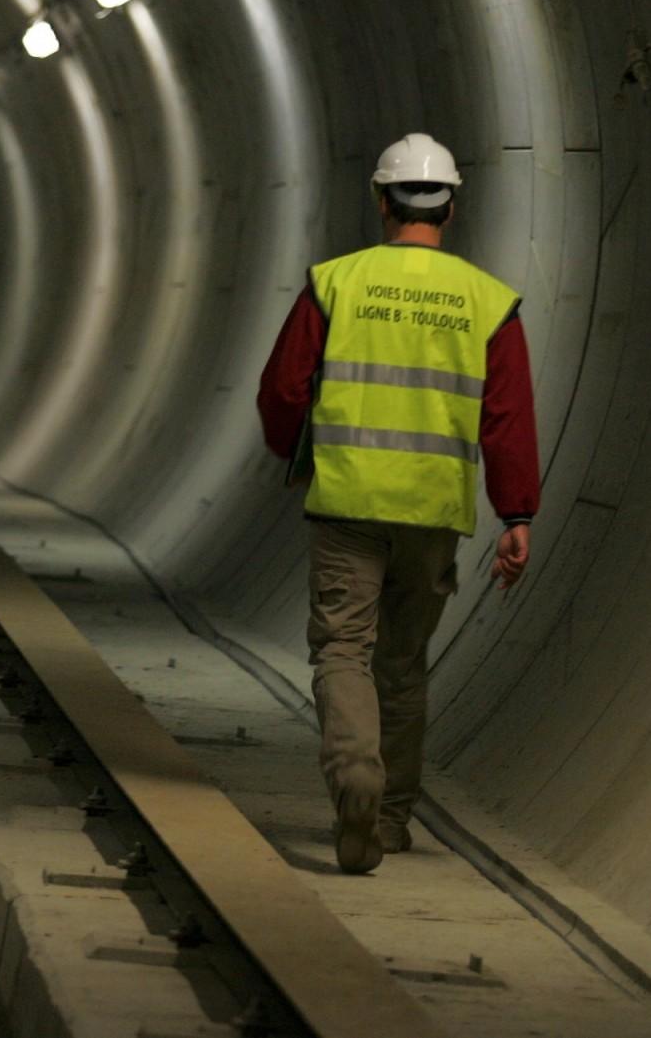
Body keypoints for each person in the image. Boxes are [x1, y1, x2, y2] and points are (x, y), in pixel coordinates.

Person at [257, 131, 541, 875]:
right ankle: (388, 816)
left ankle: (356, 774)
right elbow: (508, 418)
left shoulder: (335, 282)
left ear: (381, 200)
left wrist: (294, 447)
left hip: (348, 501)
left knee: (343, 649)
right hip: (433, 515)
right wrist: (517, 515)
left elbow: (283, 390)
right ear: (451, 207)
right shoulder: (488, 302)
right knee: (404, 662)